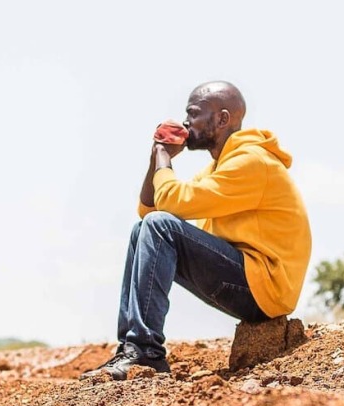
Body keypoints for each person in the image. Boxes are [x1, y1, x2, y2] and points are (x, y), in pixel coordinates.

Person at [84, 81, 312, 380]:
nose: (186, 122)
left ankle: (146, 352)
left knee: (157, 228)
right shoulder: (221, 166)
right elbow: (150, 209)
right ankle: (130, 349)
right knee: (142, 230)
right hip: (248, 280)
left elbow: (167, 206)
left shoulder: (252, 162)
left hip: (265, 288)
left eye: (194, 114)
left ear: (222, 119)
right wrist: (157, 157)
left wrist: (166, 157)